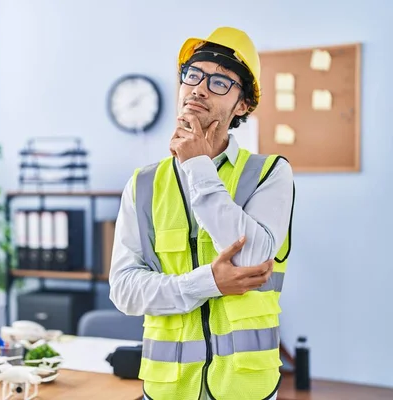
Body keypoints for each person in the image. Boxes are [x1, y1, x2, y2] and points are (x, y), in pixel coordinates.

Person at [109, 26, 295, 400]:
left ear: (242, 105)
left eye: (219, 82)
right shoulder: (143, 185)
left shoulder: (271, 173)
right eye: (193, 75)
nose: (198, 88)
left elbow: (252, 256)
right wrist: (208, 282)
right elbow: (125, 291)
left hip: (244, 389)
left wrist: (197, 166)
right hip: (168, 389)